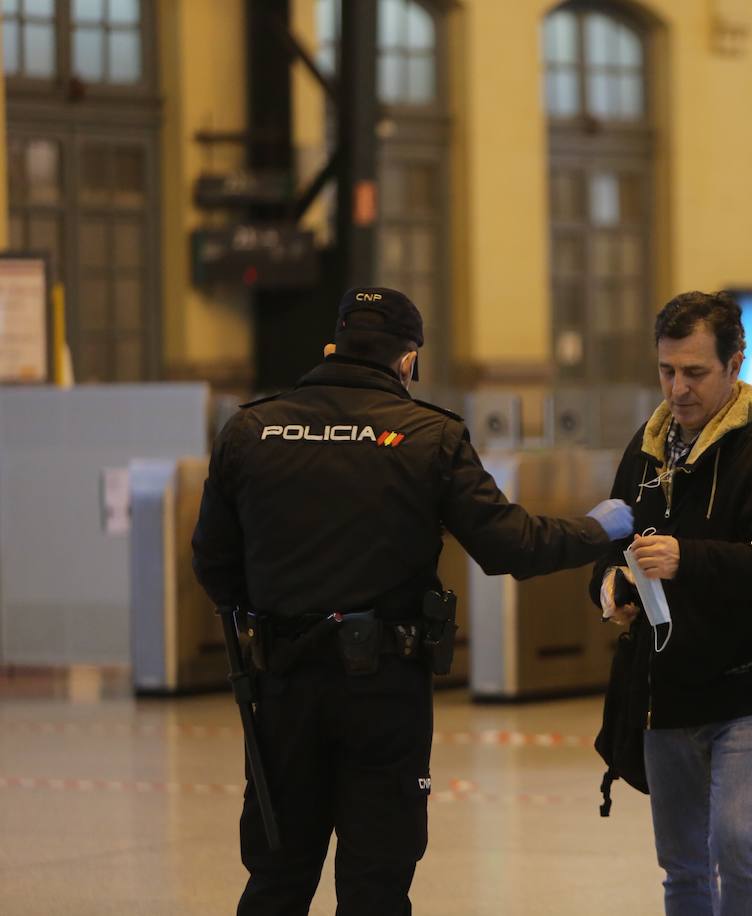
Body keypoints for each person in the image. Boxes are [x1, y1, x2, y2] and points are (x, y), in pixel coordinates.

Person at [191, 286, 634, 916]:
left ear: (333, 346)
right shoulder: (431, 437)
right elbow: (512, 546)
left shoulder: (250, 429)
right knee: (378, 881)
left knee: (276, 879)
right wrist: (601, 529)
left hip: (279, 690)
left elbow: (212, 562)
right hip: (383, 690)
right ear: (408, 360)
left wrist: (270, 620)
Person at [591, 290, 752, 916]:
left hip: (749, 686)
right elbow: (610, 546)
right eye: (666, 371)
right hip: (666, 687)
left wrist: (688, 558)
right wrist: (610, 591)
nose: (678, 389)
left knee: (739, 841)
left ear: (734, 365)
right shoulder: (647, 448)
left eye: (695, 372)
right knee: (683, 863)